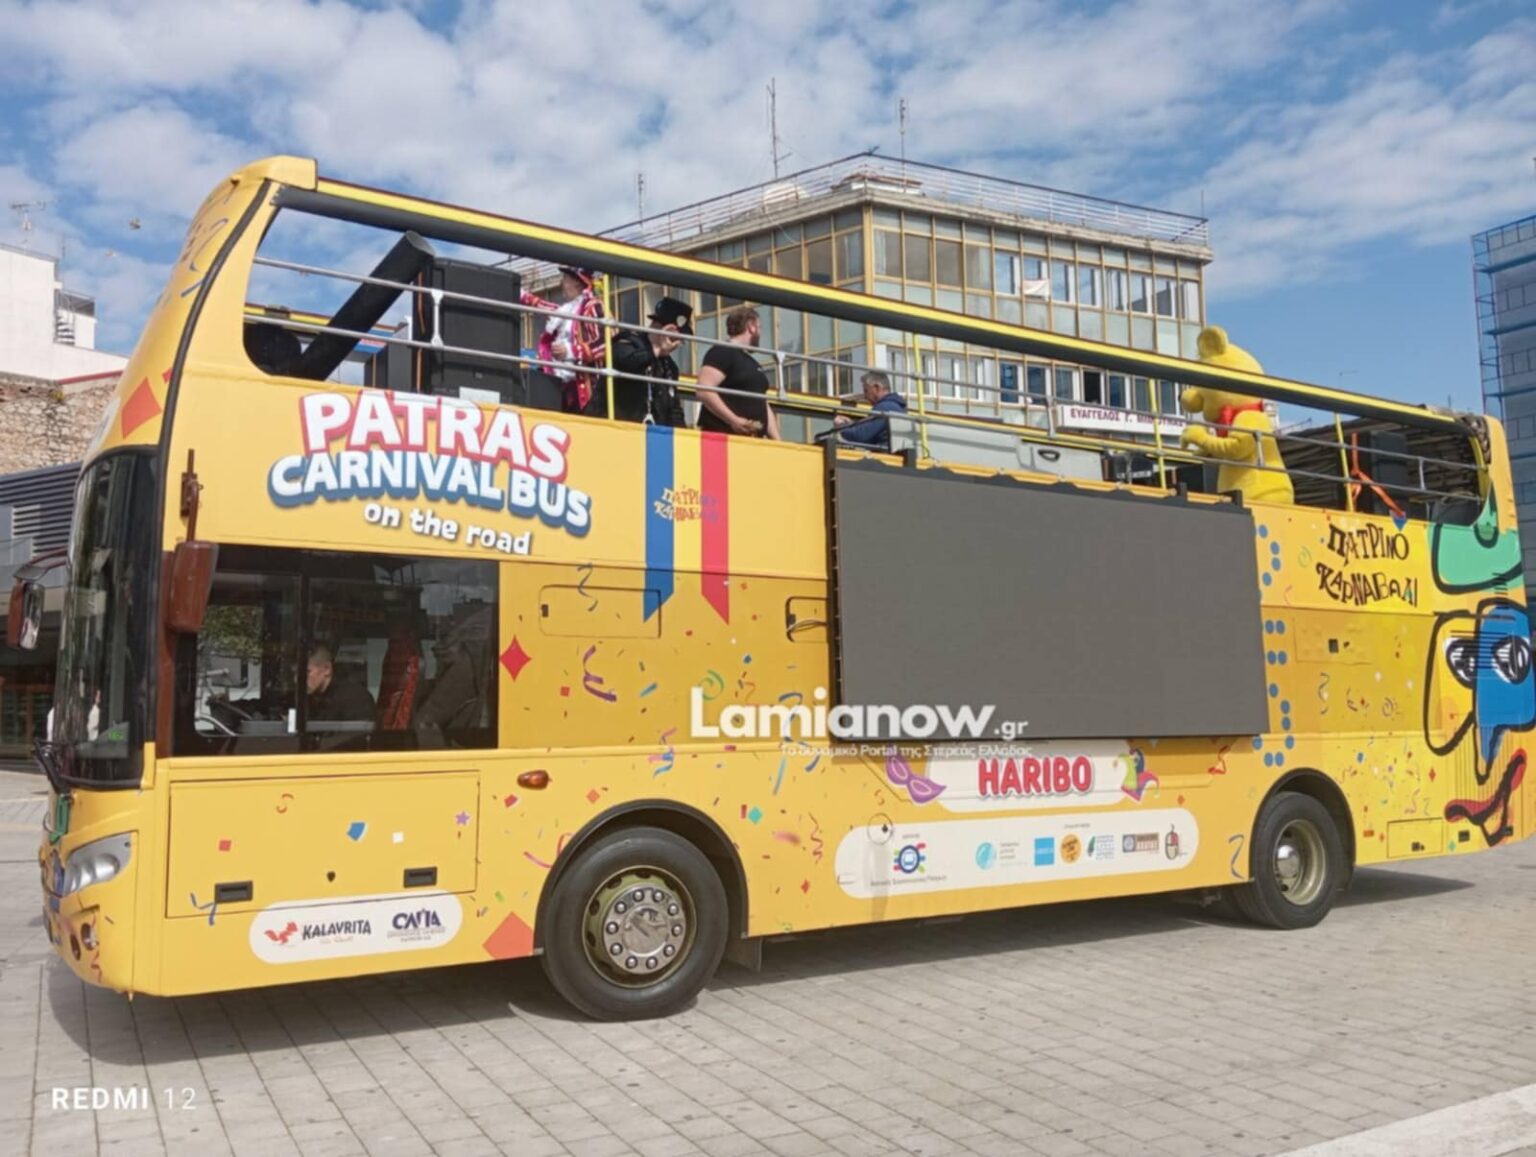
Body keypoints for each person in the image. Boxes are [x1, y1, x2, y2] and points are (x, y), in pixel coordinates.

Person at [521, 267, 606, 415]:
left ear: (577, 283)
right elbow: (542, 305)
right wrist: (521, 294)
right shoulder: (566, 310)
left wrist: (570, 351)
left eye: (565, 279)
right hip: (561, 387)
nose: (562, 283)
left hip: (586, 392)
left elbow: (603, 344)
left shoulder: (592, 307)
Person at [695, 305, 780, 439]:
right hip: (723, 438)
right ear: (751, 326)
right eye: (759, 327)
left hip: (753, 440)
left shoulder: (752, 363)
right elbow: (704, 390)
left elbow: (762, 402)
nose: (760, 333)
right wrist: (733, 420)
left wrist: (777, 441)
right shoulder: (723, 351)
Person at [608, 296, 692, 425]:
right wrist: (656, 349)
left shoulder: (670, 367)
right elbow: (627, 362)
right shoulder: (626, 341)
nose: (677, 344)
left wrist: (681, 433)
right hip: (617, 428)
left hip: (652, 433)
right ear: (664, 329)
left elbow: (674, 409)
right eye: (675, 338)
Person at [834, 370, 907, 449]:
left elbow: (860, 436)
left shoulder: (884, 408)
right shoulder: (897, 407)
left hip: (884, 454)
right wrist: (852, 424)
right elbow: (870, 433)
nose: (865, 396)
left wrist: (841, 426)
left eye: (866, 391)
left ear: (877, 387)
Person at [306, 645, 376, 724]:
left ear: (327, 669)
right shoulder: (306, 700)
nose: (297, 679)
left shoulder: (354, 698)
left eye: (308, 672)